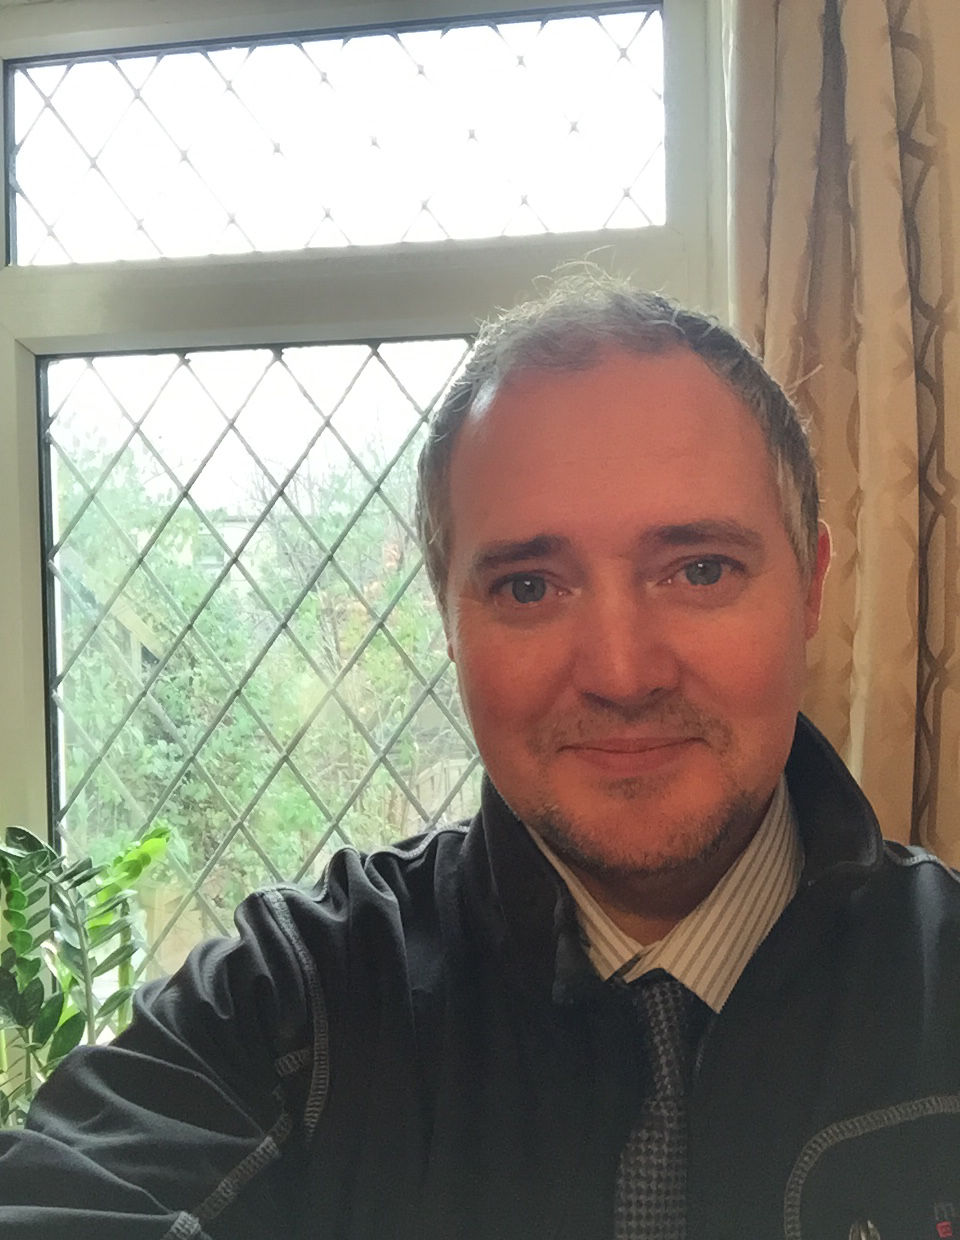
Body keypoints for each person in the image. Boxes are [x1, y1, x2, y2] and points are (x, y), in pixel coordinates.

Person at [2, 273, 960, 1240]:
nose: (622, 673)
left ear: (810, 589)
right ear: (450, 623)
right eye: (530, 587)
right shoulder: (294, 1005)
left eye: (700, 570)